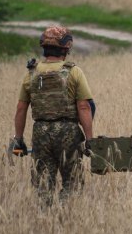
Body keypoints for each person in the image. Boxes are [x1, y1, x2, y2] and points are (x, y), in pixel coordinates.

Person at [12, 26, 94, 207]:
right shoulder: (74, 72)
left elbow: (21, 108)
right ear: (66, 48)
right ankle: (65, 217)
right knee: (71, 182)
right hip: (68, 133)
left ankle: (45, 218)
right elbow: (84, 106)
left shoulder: (32, 73)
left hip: (40, 133)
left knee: (43, 184)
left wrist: (18, 139)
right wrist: (89, 139)